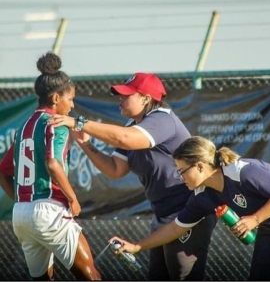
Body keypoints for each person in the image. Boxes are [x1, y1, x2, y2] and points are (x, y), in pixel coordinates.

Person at [47, 72, 217, 280]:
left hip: (188, 210)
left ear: (146, 98)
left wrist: (79, 122)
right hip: (164, 215)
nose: (120, 98)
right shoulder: (134, 125)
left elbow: (126, 139)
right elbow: (115, 170)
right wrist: (85, 143)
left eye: (127, 95)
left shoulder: (162, 118)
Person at [109, 135, 270, 281]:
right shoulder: (203, 195)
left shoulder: (241, 171)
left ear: (200, 166)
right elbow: (175, 228)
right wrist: (137, 246)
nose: (180, 177)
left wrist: (255, 219)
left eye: (182, 171)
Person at [0, 52, 101, 281]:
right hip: (49, 211)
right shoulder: (57, 123)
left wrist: (21, 201)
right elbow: (53, 164)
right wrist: (73, 198)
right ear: (56, 98)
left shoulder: (24, 126)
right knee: (91, 276)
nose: (72, 105)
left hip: (21, 215)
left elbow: (2, 171)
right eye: (70, 99)